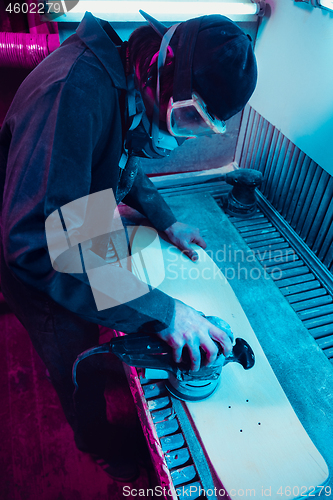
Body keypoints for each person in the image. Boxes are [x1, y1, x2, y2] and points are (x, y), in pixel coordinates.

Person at [0, 10, 257, 481]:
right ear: (163, 61)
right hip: (29, 249)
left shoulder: (123, 77)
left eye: (202, 128)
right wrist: (166, 312)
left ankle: (116, 362)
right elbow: (34, 248)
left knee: (114, 300)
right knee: (73, 338)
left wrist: (166, 220)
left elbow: (121, 157)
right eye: (187, 118)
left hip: (77, 218)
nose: (180, 136)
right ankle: (96, 440)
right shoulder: (75, 93)